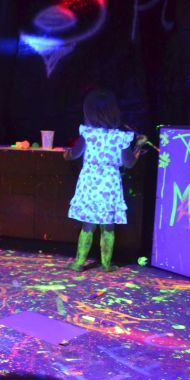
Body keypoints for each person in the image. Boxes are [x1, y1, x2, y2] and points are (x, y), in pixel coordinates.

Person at [62, 89, 146, 272]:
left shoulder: (88, 134)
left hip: (90, 183)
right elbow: (129, 163)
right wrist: (139, 145)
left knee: (88, 225)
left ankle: (78, 263)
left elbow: (73, 154)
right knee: (108, 226)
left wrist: (66, 154)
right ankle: (106, 264)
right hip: (110, 184)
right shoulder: (119, 137)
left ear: (89, 112)